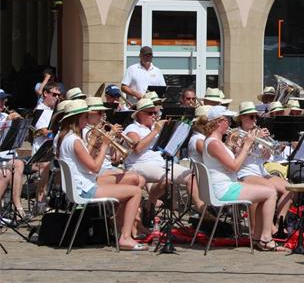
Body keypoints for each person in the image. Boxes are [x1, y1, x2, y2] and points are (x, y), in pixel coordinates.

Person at [56, 100, 147, 250]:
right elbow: (95, 167)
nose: (87, 120)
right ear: (77, 118)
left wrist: (95, 141)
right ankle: (125, 237)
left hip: (82, 183)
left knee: (131, 181)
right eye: (85, 117)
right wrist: (105, 144)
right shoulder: (75, 141)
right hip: (84, 188)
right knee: (136, 192)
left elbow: (87, 164)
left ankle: (119, 225)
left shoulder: (66, 138)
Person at [202, 105, 283, 250]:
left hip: (226, 185)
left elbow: (231, 162)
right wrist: (247, 145)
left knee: (265, 192)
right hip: (223, 189)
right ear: (219, 122)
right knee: (271, 193)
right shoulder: (214, 143)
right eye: (227, 119)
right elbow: (234, 167)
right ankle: (266, 238)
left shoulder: (216, 141)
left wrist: (237, 146)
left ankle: (257, 237)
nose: (230, 123)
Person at [123, 98, 203, 214]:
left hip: (158, 161)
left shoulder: (153, 127)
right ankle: (150, 203)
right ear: (140, 114)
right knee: (166, 178)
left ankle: (203, 212)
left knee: (191, 175)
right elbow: (137, 148)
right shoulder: (132, 128)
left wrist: (170, 130)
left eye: (155, 113)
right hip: (139, 163)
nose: (154, 116)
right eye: (150, 113)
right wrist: (155, 131)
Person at [233, 101, 293, 226]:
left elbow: (264, 158)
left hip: (261, 172)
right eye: (252, 117)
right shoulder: (236, 134)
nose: (255, 120)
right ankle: (265, 228)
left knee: (289, 189)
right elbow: (238, 156)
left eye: (256, 116)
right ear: (242, 117)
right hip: (245, 173)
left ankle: (279, 224)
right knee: (269, 189)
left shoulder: (257, 132)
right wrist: (255, 139)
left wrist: (268, 150)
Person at [32, 83, 60, 207]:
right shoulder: (40, 110)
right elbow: (44, 132)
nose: (57, 97)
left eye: (58, 95)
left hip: (53, 150)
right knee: (45, 165)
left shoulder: (54, 111)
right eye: (54, 94)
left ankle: (59, 199)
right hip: (41, 152)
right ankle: (40, 201)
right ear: (45, 93)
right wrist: (59, 135)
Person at [0, 90, 26, 218]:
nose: (3, 103)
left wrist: (19, 124)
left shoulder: (4, 116)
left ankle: (17, 203)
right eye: (0, 100)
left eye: (3, 100)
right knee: (6, 174)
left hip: (5, 156)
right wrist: (6, 123)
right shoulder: (5, 118)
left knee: (19, 163)